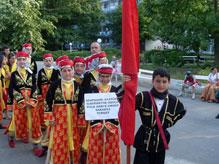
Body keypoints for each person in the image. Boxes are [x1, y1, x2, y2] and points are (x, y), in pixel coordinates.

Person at [132, 68, 186, 164]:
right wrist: (126, 87)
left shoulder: (173, 100)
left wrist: (169, 122)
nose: (161, 85)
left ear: (169, 82)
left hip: (160, 142)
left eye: (164, 82)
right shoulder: (143, 97)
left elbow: (181, 112)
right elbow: (128, 108)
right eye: (158, 81)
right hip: (143, 141)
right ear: (152, 81)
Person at [82, 64, 124, 164]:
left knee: (112, 152)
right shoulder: (92, 90)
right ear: (99, 76)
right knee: (96, 152)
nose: (105, 78)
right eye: (102, 76)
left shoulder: (116, 90)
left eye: (107, 76)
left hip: (112, 127)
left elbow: (120, 110)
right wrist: (98, 124)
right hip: (96, 126)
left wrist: (110, 124)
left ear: (111, 76)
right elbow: (89, 109)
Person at [7, 51, 43, 156]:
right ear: (16, 61)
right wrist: (21, 100)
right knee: (16, 120)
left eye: (24, 59)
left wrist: (32, 100)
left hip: (31, 102)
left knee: (34, 122)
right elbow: (12, 88)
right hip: (20, 101)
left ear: (27, 60)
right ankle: (11, 137)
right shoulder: (14, 74)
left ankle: (35, 145)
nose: (22, 61)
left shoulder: (31, 73)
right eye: (19, 59)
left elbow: (35, 87)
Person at [45, 59, 81, 164]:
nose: (67, 73)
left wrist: (81, 117)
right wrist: (49, 117)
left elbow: (81, 102)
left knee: (74, 137)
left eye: (69, 70)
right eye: (64, 71)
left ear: (73, 71)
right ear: (60, 72)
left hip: (73, 116)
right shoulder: (54, 84)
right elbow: (47, 101)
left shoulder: (77, 85)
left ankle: (72, 160)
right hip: (59, 116)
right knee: (59, 138)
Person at [37, 53, 59, 128]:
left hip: (53, 92)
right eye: (46, 61)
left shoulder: (56, 71)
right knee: (44, 107)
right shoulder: (41, 71)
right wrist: (39, 94)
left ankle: (53, 123)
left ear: (53, 61)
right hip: (43, 92)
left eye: (50, 60)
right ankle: (43, 124)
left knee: (52, 106)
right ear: (43, 61)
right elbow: (38, 83)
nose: (48, 62)